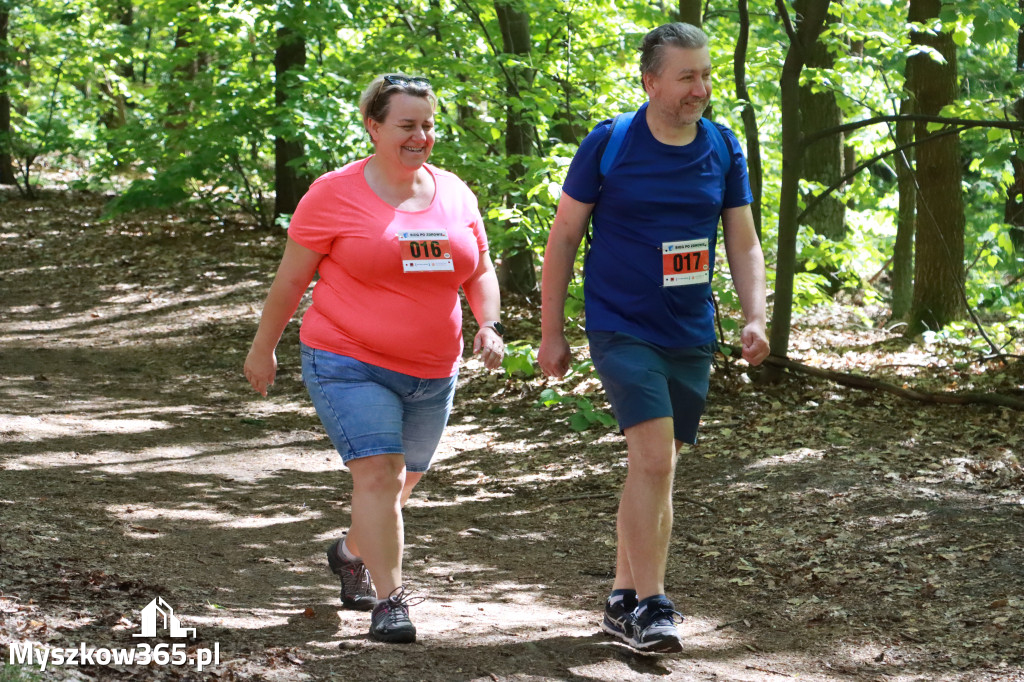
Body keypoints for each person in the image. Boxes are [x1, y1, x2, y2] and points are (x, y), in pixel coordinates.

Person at [244, 73, 505, 645]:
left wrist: (489, 323)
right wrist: (263, 347)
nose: (421, 136)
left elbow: (480, 269)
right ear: (374, 126)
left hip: (434, 370)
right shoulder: (333, 194)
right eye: (407, 125)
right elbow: (292, 280)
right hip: (346, 358)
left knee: (398, 487)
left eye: (428, 125)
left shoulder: (456, 192)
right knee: (380, 477)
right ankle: (391, 602)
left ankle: (348, 552)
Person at [538, 23, 770, 653]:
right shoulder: (611, 144)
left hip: (689, 332)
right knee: (655, 459)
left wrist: (755, 315)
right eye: (687, 76)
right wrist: (551, 332)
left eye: (706, 74)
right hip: (620, 326)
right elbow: (562, 239)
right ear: (652, 82)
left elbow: (742, 240)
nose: (701, 88)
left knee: (654, 470)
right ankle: (652, 604)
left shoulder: (722, 147)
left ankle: (620, 596)